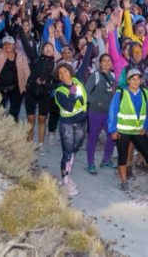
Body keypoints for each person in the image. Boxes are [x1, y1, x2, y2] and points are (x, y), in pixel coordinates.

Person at [107, 68, 148, 191]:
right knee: (122, 157)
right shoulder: (120, 93)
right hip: (122, 131)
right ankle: (124, 182)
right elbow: (112, 112)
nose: (135, 82)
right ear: (128, 81)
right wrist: (112, 130)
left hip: (139, 131)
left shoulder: (146, 93)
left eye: (138, 79)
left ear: (141, 80)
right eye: (133, 79)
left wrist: (146, 127)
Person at [53, 61, 90, 196]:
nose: (64, 74)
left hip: (81, 121)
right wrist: (73, 93)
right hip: (67, 124)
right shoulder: (59, 91)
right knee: (67, 153)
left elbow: (85, 63)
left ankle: (67, 176)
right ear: (59, 77)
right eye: (60, 73)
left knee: (74, 150)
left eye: (65, 71)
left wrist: (92, 41)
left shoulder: (77, 80)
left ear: (70, 71)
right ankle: (65, 181)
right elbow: (68, 106)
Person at [84, 54, 117, 173]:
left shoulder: (113, 76)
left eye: (109, 60)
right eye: (105, 61)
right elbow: (86, 92)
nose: (107, 63)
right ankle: (90, 163)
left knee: (112, 137)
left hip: (109, 113)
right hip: (95, 112)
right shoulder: (95, 75)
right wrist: (96, 102)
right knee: (93, 137)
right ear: (100, 63)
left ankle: (106, 160)